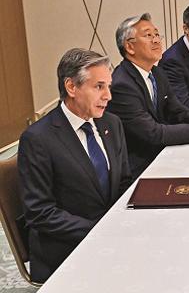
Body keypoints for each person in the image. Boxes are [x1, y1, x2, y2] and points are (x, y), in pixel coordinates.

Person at [18, 49, 132, 282]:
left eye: (108, 86)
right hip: (64, 250)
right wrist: (99, 232)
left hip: (111, 238)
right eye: (99, 86)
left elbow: (123, 181)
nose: (108, 95)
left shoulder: (111, 123)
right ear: (71, 87)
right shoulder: (38, 139)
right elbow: (40, 212)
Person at [107, 13, 189, 179]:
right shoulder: (122, 85)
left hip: (162, 152)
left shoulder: (156, 72)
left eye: (156, 34)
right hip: (141, 167)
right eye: (148, 35)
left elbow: (178, 110)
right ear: (130, 47)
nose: (156, 40)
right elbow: (153, 133)